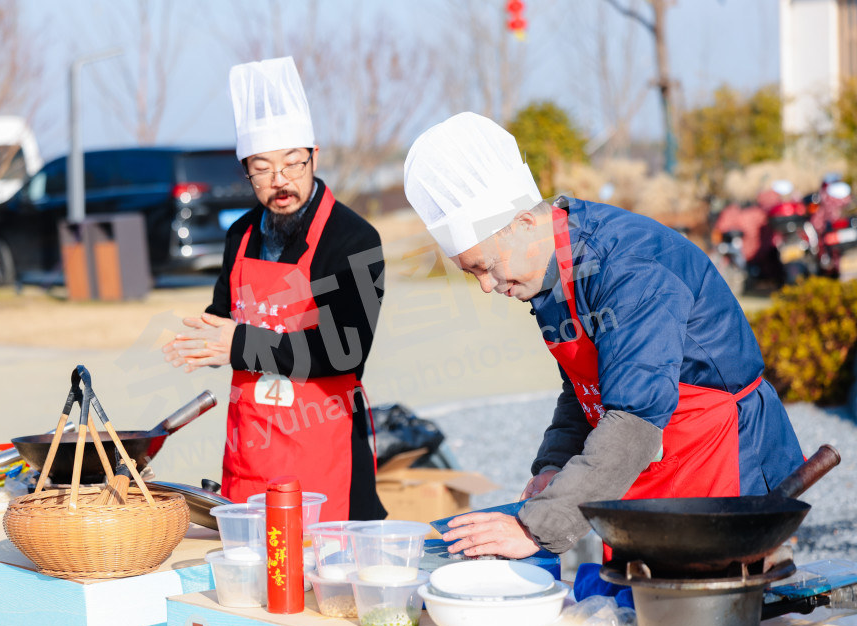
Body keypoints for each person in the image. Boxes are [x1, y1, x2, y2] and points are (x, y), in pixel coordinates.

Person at [402, 112, 805, 559]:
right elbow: (583, 388)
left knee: (718, 609)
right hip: (647, 464)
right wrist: (553, 467)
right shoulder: (545, 273)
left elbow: (634, 418)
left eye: (485, 265)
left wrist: (537, 528)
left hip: (723, 456)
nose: (485, 285)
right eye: (470, 272)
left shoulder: (628, 268)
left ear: (525, 224)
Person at [162, 56, 386, 522]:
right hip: (252, 446)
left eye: (292, 163)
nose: (279, 180)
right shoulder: (240, 233)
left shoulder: (354, 239)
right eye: (262, 168)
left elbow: (345, 351)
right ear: (246, 169)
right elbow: (226, 314)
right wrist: (207, 337)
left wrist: (239, 343)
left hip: (323, 450)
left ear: (315, 157)